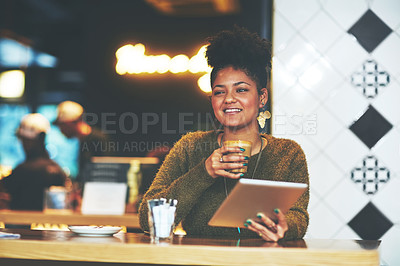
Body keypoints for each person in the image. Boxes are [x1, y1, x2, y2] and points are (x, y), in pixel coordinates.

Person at [138, 26, 309, 241]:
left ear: (262, 98)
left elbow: (298, 216)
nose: (229, 99)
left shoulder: (287, 153)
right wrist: (204, 172)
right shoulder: (190, 147)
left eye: (241, 89)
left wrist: (286, 226)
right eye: (220, 92)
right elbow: (147, 218)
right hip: (201, 260)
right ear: (212, 100)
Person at [0, 113, 67, 210]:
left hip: (23, 223)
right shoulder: (56, 169)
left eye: (26, 141)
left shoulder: (24, 170)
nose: (24, 145)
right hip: (48, 223)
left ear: (40, 139)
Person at [53, 101, 110, 178]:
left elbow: (106, 172)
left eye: (62, 125)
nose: (60, 129)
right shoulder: (82, 141)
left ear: (72, 122)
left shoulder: (98, 139)